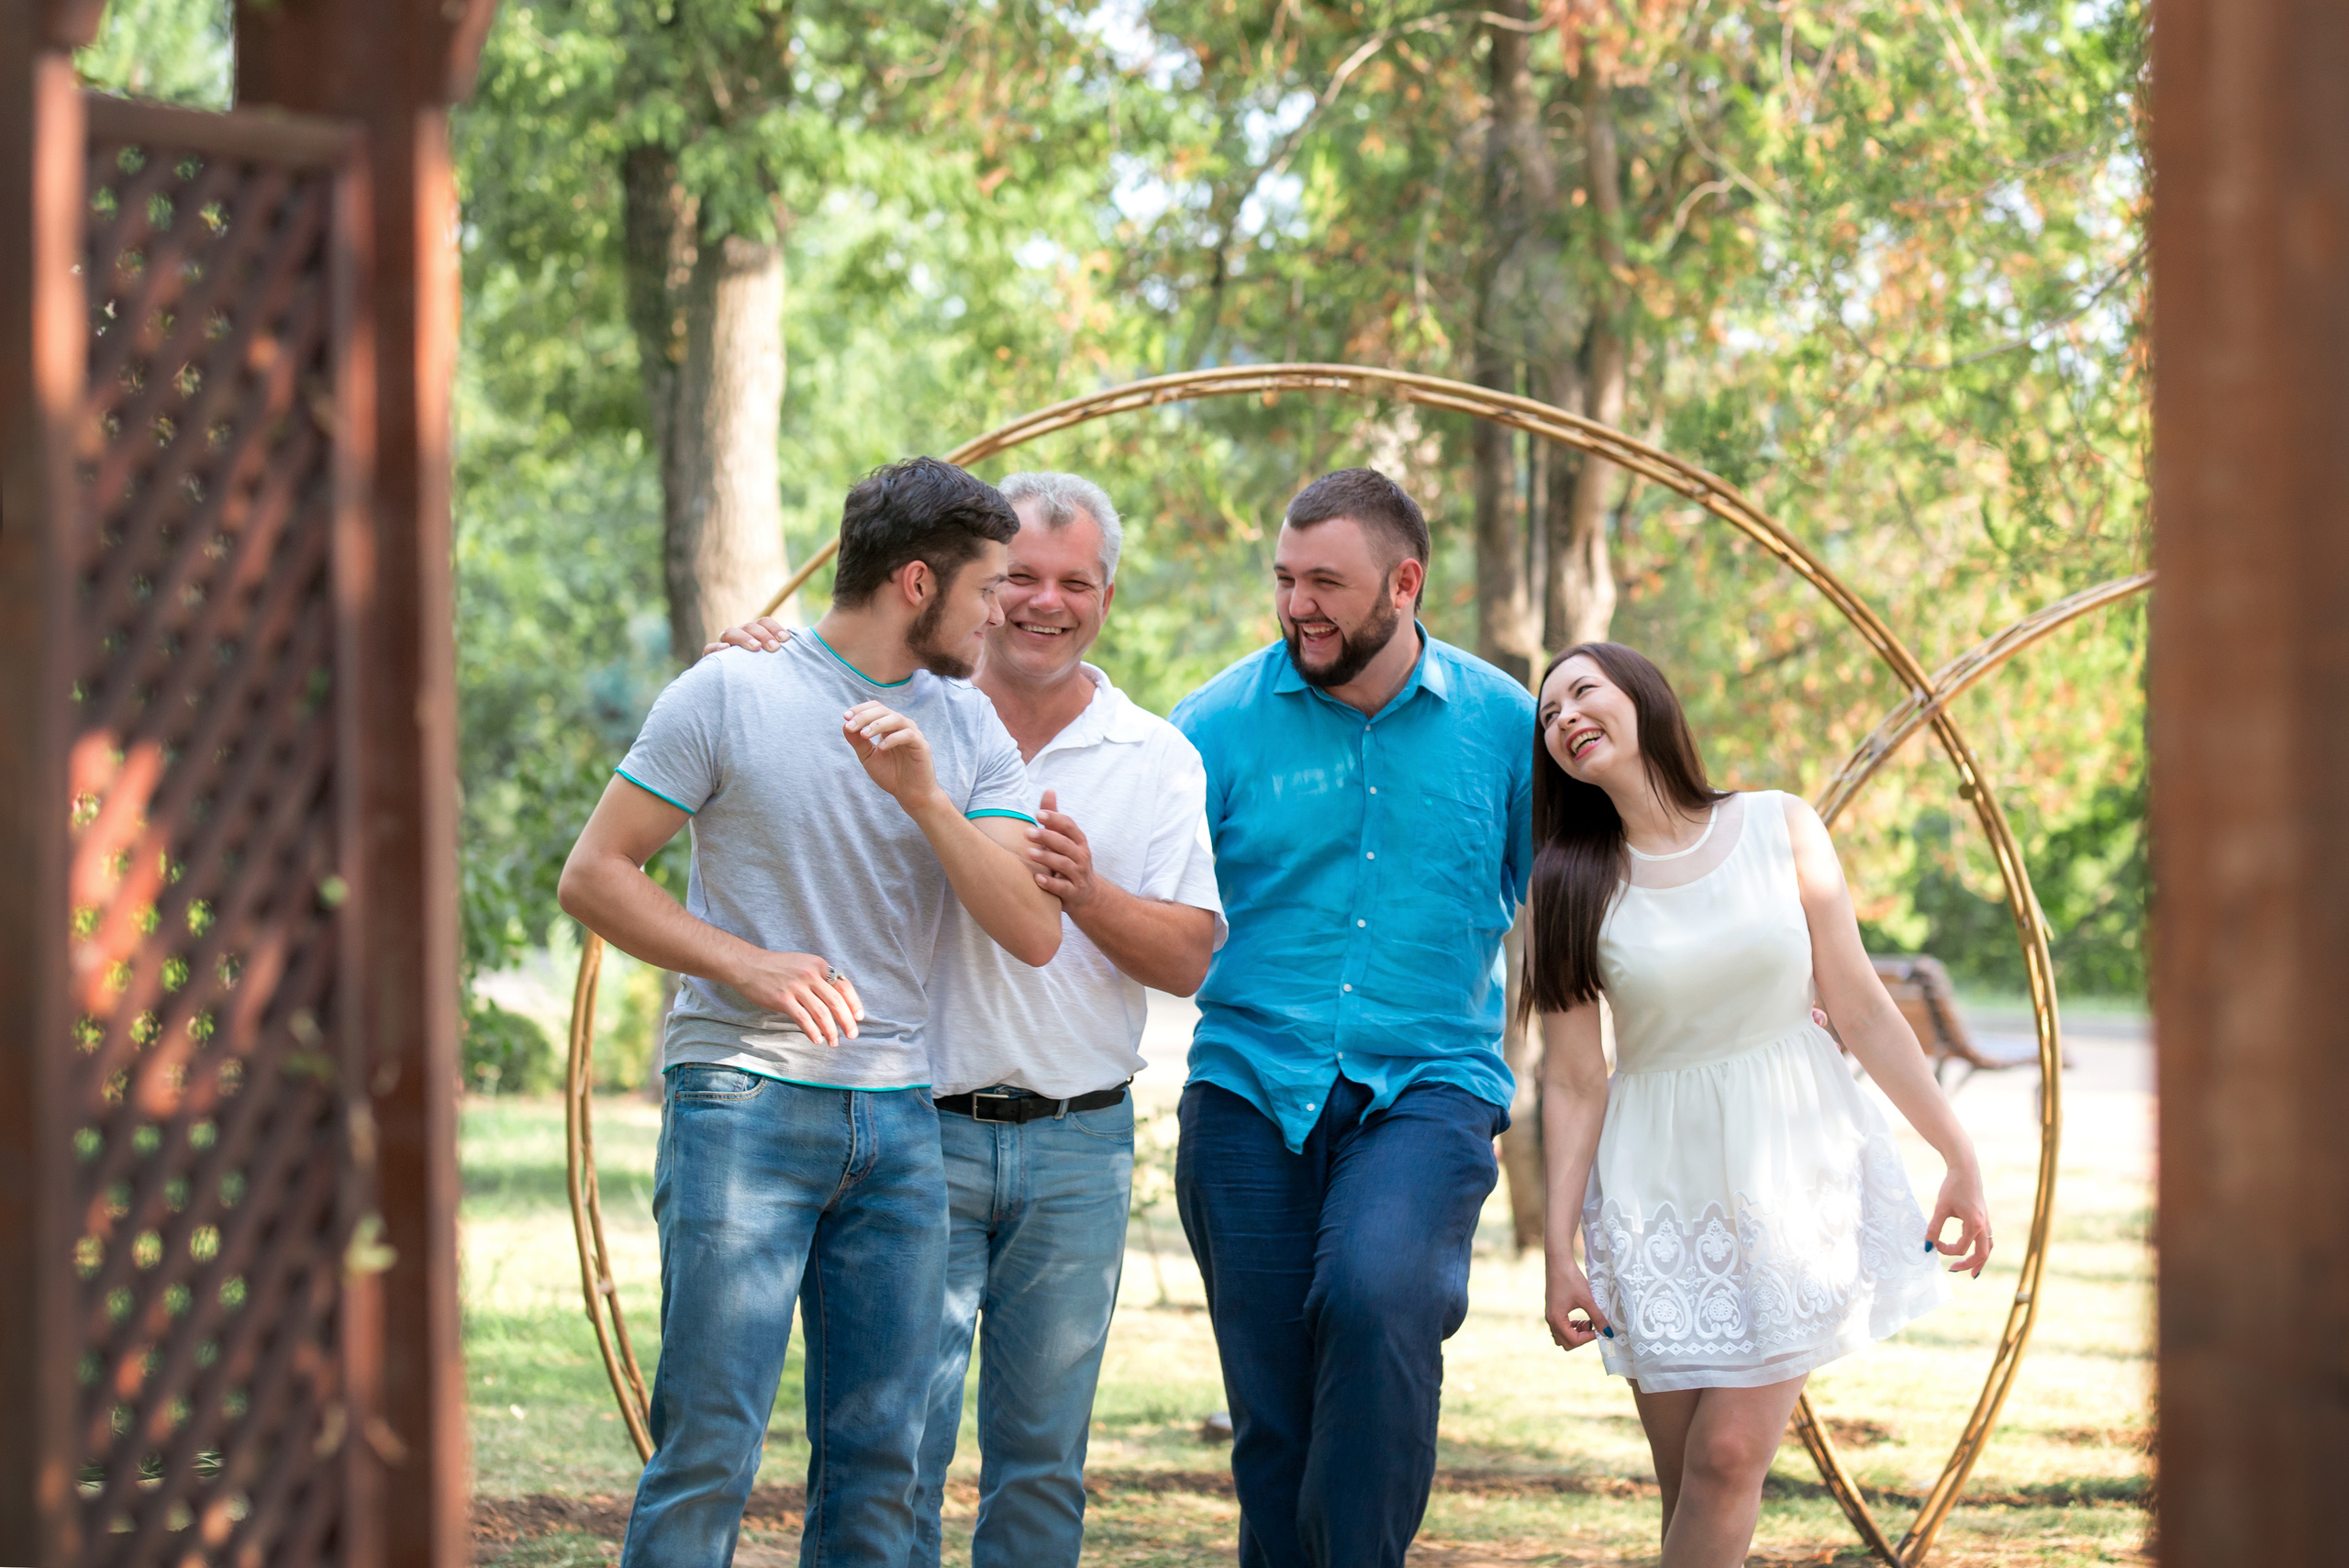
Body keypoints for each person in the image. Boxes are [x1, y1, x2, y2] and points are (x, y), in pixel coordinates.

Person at [708, 470, 1225, 1568]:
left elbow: (1188, 956)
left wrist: (1085, 891)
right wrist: (761, 653)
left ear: (1107, 598)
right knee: (889, 1453)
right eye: (1016, 577)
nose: (1040, 601)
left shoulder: (1154, 755)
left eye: (1073, 581)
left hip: (1078, 1141)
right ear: (968, 590)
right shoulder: (895, 713)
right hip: (912, 1127)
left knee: (1041, 1462)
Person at [556, 457, 1064, 1568]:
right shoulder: (729, 691)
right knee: (709, 1446)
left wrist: (926, 796)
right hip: (740, 1101)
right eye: (988, 588)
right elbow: (595, 875)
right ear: (919, 583)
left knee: (883, 1458)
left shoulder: (967, 729)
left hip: (896, 1122)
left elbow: (1030, 928)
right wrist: (750, 964)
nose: (1003, 612)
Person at [1528, 641, 1990, 1567]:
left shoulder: (1780, 825)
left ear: (1643, 696)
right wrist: (1556, 1244)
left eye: (1582, 690)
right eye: (1547, 715)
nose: (1566, 716)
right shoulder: (1568, 885)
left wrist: (1958, 1153)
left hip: (1795, 1170)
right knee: (1688, 1484)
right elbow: (1574, 1078)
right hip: (1657, 1194)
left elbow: (1859, 1004)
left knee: (1728, 1456)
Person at [1166, 467, 1533, 1568]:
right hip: (1245, 1086)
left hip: (1428, 1085)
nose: (1297, 606)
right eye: (1284, 579)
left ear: (1404, 582)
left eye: (1325, 581)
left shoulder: (1508, 728)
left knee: (1381, 1295)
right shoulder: (1213, 725)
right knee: (1274, 1419)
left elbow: (1585, 887)